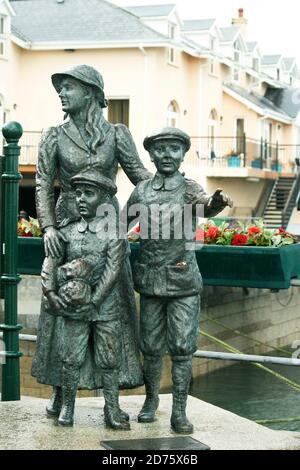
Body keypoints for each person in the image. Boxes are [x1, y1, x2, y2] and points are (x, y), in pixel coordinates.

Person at [32, 64, 151, 416]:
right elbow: (42, 183)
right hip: (67, 228)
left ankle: (112, 401)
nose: (62, 94)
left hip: (106, 229)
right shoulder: (53, 135)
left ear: (91, 92)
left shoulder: (117, 134)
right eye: (61, 89)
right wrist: (48, 228)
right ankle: (59, 392)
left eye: (68, 87)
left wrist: (173, 192)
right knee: (61, 312)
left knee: (109, 312)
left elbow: (140, 178)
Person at [126, 127, 233, 434]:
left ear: (183, 154)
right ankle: (150, 402)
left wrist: (217, 200)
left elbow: (205, 206)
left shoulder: (188, 188)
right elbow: (121, 224)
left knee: (183, 347)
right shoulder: (142, 190)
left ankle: (180, 411)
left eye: (174, 149)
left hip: (183, 281)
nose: (167, 155)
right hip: (150, 280)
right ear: (151, 155)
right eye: (160, 150)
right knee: (150, 346)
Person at [42, 167, 130, 429]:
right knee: (71, 358)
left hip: (105, 308)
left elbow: (113, 270)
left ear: (104, 199)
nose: (81, 198)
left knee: (109, 358)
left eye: (89, 193)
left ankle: (111, 409)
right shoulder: (66, 231)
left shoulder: (114, 232)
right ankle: (68, 407)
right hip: (73, 308)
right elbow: (51, 263)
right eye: (78, 192)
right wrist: (50, 292)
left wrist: (94, 301)